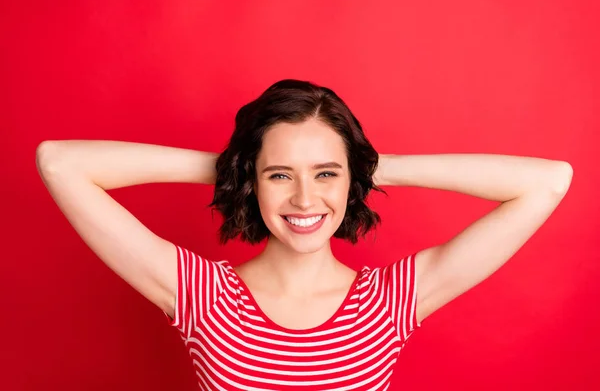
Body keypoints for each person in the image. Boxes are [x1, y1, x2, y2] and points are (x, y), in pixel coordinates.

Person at [36, 79, 573, 390]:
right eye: (279, 175)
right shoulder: (201, 296)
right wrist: (235, 166)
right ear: (254, 182)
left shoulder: (389, 302)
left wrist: (366, 165)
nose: (304, 199)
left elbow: (547, 182)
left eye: (325, 174)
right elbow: (59, 163)